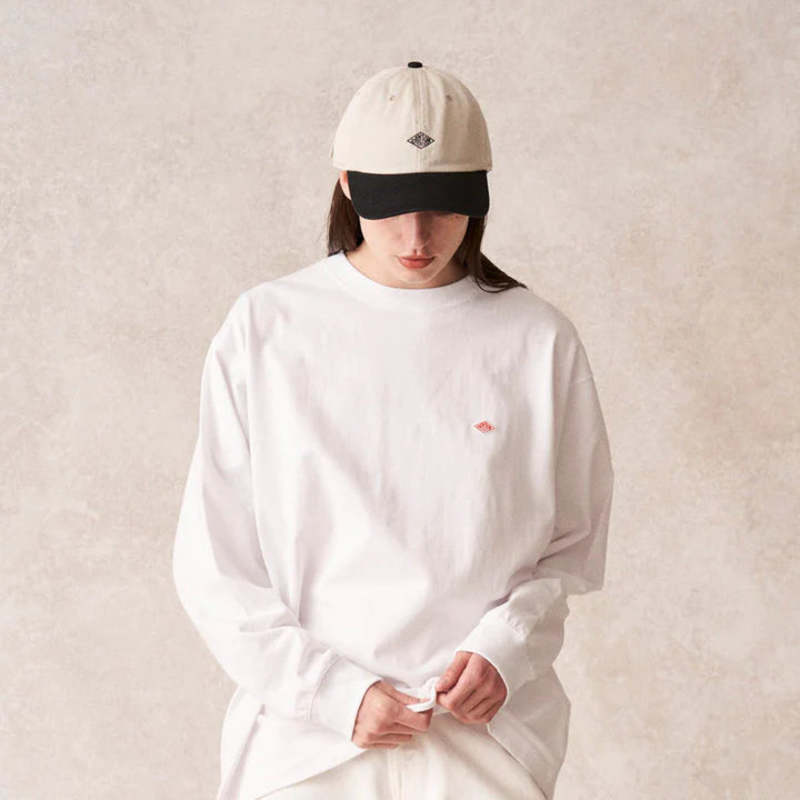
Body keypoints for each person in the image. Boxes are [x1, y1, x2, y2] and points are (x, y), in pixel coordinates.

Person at [172, 61, 614, 800]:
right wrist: (331, 693)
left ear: (479, 194)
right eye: (392, 206)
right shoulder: (268, 328)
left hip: (487, 740)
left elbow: (571, 544)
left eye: (444, 206)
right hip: (302, 750)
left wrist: (506, 649)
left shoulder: (537, 339)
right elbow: (214, 562)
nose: (417, 235)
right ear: (348, 185)